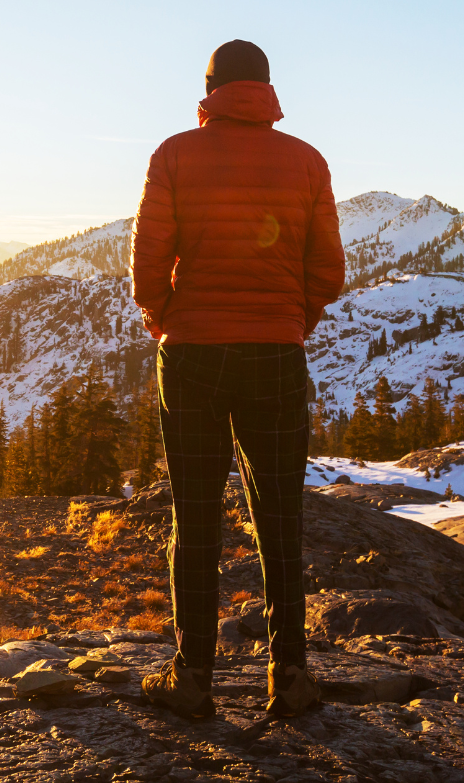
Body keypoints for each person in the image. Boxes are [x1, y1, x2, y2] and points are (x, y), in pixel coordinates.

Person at [130, 39, 345, 718]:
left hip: (190, 354)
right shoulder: (306, 161)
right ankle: (292, 675)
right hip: (275, 355)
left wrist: (166, 317)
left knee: (194, 517)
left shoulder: (173, 155)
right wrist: (292, 318)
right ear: (268, 89)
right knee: (280, 516)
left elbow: (148, 256)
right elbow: (328, 268)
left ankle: (192, 677)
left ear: (211, 86)